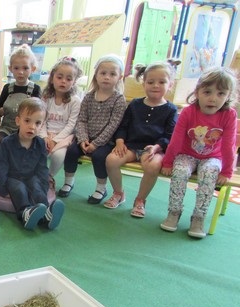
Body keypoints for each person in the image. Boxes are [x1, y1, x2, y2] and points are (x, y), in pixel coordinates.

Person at [160, 66, 237, 238]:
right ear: (197, 92)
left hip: (212, 157)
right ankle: (174, 212)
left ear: (228, 96)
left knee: (209, 174)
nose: (213, 99)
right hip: (187, 155)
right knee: (179, 172)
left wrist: (226, 171)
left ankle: (198, 217)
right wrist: (167, 161)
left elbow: (228, 145)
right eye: (207, 92)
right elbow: (176, 140)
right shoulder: (188, 111)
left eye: (220, 94)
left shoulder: (229, 115)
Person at [104, 61, 178, 217]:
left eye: (162, 82)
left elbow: (169, 135)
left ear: (170, 85)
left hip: (153, 149)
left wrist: (157, 147)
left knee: (152, 166)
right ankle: (119, 193)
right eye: (150, 82)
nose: (155, 85)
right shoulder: (135, 104)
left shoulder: (171, 109)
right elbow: (123, 126)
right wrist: (120, 141)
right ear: (144, 84)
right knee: (111, 160)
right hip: (131, 146)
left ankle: (140, 200)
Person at [58, 54, 127, 204]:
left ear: (119, 77)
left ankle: (101, 188)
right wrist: (83, 139)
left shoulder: (118, 99)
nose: (107, 77)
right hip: (85, 138)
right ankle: (69, 181)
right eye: (103, 73)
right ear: (96, 75)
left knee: (99, 157)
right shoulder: (89, 97)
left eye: (112, 74)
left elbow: (113, 125)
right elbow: (81, 120)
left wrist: (96, 144)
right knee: (71, 152)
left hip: (105, 142)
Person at [0, 97, 65, 231]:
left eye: (37, 123)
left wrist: (44, 186)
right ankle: (25, 214)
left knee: (37, 188)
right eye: (27, 121)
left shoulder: (40, 144)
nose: (32, 127)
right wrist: (2, 188)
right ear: (18, 121)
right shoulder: (7, 142)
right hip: (13, 177)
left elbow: (42, 168)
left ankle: (47, 215)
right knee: (19, 189)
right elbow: (2, 166)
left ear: (42, 125)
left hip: (31, 176)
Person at [0, 44, 41, 180]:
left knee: (27, 146)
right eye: (16, 68)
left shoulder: (35, 89)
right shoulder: (8, 88)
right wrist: (1, 111)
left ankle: (24, 173)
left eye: (25, 68)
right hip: (7, 127)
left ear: (33, 69)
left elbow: (39, 111)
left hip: (25, 129)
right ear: (10, 68)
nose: (20, 72)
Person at [39, 56, 83, 189]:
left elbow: (71, 125)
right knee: (35, 150)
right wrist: (45, 137)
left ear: (74, 81)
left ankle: (49, 177)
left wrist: (56, 140)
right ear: (52, 78)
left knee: (58, 155)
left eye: (69, 79)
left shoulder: (75, 101)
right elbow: (41, 120)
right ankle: (35, 175)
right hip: (45, 133)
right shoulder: (46, 98)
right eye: (59, 77)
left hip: (63, 137)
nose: (63, 81)